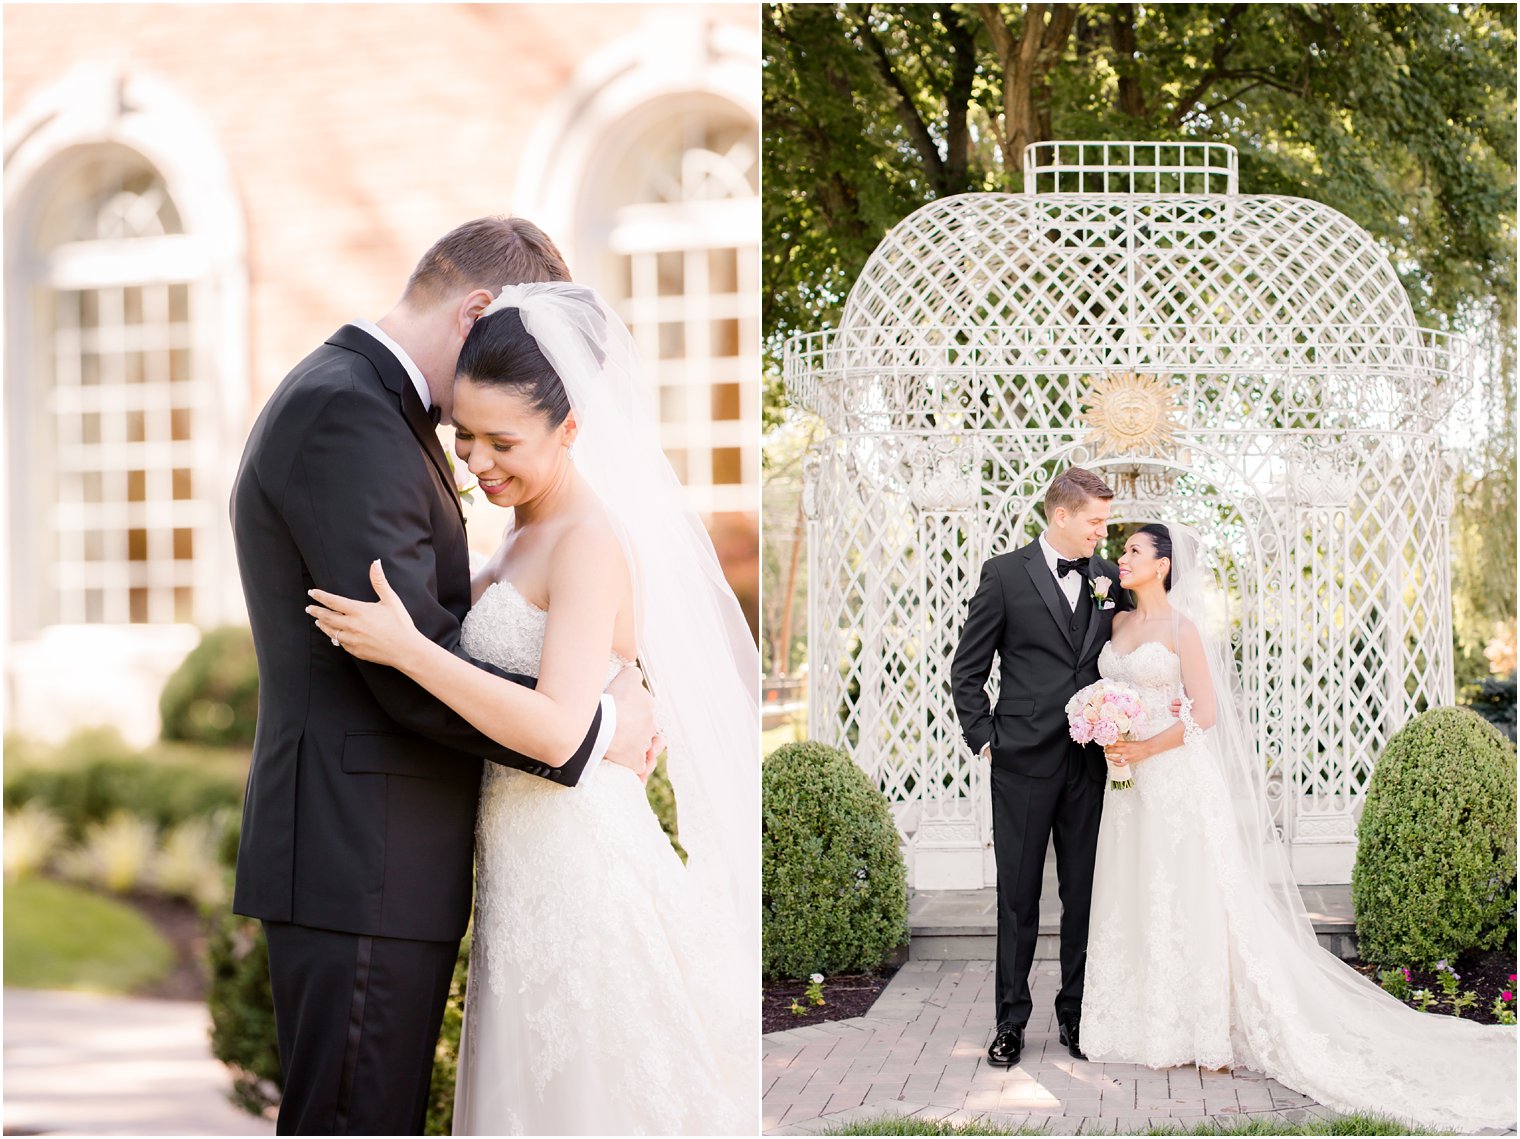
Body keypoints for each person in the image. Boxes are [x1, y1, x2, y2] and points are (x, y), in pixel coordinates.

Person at [229, 218, 659, 1135]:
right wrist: (586, 733)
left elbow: (516, 619)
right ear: (478, 312)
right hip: (362, 859)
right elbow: (402, 655)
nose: (476, 455)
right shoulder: (349, 409)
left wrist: (623, 677)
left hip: (394, 862)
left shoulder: (361, 402)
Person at [308, 282, 758, 1135]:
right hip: (521, 856)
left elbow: (556, 727)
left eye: (502, 441)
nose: (477, 461)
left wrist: (411, 649)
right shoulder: (522, 528)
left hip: (578, 860)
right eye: (464, 435)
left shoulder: (587, 538)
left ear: (572, 428)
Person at [1083, 522, 1516, 1133]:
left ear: (1164, 565)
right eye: (1121, 548)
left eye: (1132, 550)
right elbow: (1106, 691)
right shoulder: (1116, 625)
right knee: (1137, 893)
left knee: (1190, 894)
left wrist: (1145, 747)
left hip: (1174, 775)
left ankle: (1202, 1026)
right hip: (1127, 783)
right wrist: (1106, 730)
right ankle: (1142, 1020)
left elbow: (1204, 714)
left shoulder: (1183, 631)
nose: (1120, 558)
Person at [950, 467, 1132, 1069]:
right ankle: (1009, 1021)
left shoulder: (1109, 579)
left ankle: (1076, 1015)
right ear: (1061, 515)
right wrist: (987, 741)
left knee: (1082, 895)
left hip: (1089, 764)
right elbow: (967, 671)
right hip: (1022, 763)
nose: (1102, 536)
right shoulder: (1004, 575)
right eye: (1095, 522)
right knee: (1018, 898)